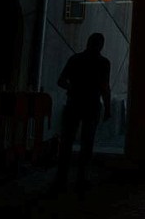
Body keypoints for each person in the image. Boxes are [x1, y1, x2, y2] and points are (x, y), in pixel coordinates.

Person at [52, 32, 112, 193]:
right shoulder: (103, 63)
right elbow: (105, 88)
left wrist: (73, 89)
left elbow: (61, 81)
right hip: (92, 105)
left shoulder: (75, 60)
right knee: (87, 142)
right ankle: (81, 178)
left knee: (67, 141)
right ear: (101, 45)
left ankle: (61, 177)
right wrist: (107, 108)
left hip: (74, 103)